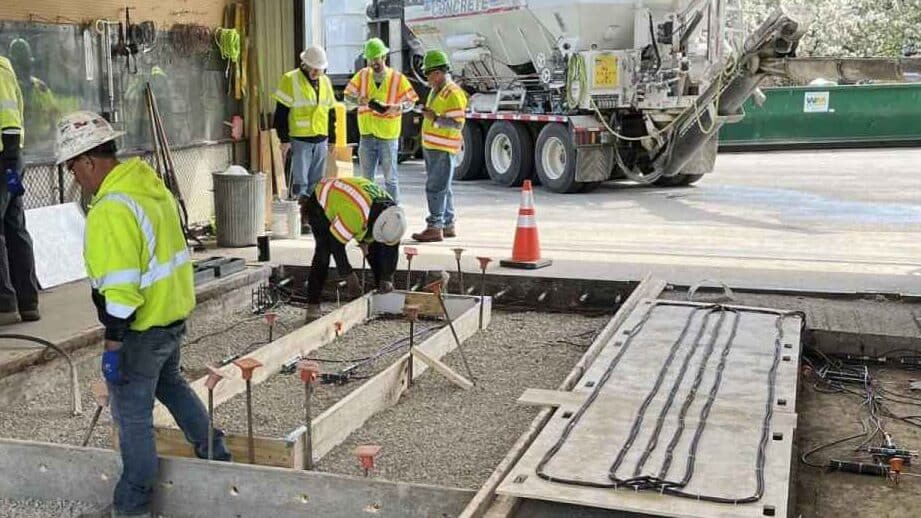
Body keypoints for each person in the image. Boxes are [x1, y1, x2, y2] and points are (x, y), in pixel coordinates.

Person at [54, 111, 232, 518]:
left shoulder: (111, 210)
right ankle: (216, 455)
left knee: (131, 417)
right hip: (170, 317)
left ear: (88, 161)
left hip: (140, 328)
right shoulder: (150, 188)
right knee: (171, 385)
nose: (74, 177)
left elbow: (121, 290)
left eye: (72, 168)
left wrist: (112, 345)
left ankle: (132, 506)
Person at [304, 177, 405, 319]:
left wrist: (387, 277)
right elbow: (336, 244)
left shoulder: (394, 218)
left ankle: (380, 296)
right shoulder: (355, 215)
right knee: (323, 252)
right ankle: (313, 304)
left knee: (376, 250)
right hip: (322, 200)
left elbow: (392, 247)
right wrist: (349, 276)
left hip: (352, 204)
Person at [344, 37, 418, 203]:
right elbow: (348, 96)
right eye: (370, 59)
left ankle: (392, 212)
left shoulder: (397, 78)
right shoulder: (362, 75)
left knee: (390, 179)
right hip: (367, 135)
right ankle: (368, 212)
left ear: (384, 57)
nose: (373, 62)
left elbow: (412, 101)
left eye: (376, 58)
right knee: (366, 181)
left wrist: (398, 107)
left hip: (388, 136)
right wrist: (359, 101)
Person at [273, 45, 336, 233]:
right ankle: (301, 217)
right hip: (300, 139)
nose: (317, 72)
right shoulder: (290, 79)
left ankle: (314, 214)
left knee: (317, 181)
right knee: (300, 181)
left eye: (320, 68)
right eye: (314, 68)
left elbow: (331, 112)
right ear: (305, 64)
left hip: (321, 138)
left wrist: (332, 138)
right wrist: (284, 139)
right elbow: (281, 113)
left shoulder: (325, 82)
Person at [411, 50, 467, 243]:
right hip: (434, 146)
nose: (427, 78)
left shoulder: (452, 93)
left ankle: (435, 226)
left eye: (428, 73)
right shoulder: (438, 90)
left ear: (438, 72)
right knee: (444, 188)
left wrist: (433, 118)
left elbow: (457, 123)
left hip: (442, 148)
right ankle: (447, 224)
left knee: (436, 187)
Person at [0, 53, 40, 325]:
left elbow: (9, 116)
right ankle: (27, 302)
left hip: (5, 158)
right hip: (10, 160)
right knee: (13, 226)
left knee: (8, 227)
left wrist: (11, 163)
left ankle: (5, 303)